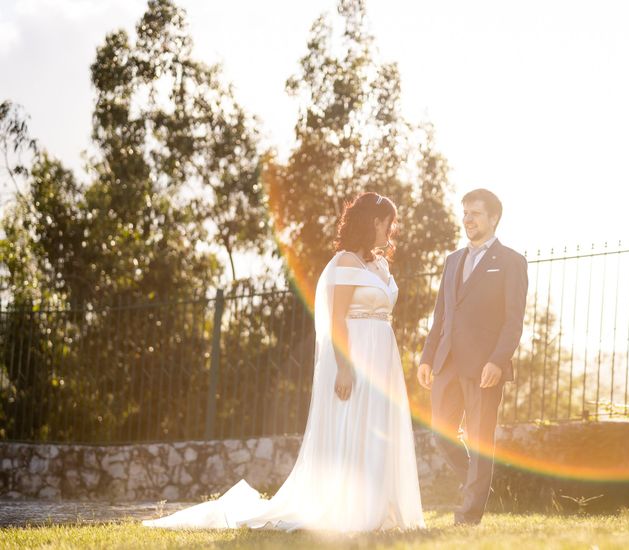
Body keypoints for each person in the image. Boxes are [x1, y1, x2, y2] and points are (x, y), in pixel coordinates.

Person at [142, 192, 425, 532]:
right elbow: (336, 321)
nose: (390, 231)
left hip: (383, 355)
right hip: (356, 354)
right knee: (352, 425)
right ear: (374, 222)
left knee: (377, 428)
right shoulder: (346, 262)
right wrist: (345, 368)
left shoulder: (381, 265)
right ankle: (352, 507)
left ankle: (382, 506)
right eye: (388, 223)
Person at [417, 188, 528, 526]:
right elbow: (441, 316)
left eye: (475, 213)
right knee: (440, 433)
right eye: (465, 213)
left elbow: (513, 320)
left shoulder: (512, 262)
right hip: (447, 362)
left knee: (480, 440)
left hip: (485, 367)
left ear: (493, 218)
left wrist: (497, 360)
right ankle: (477, 485)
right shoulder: (452, 261)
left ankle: (468, 514)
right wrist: (426, 357)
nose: (468, 219)